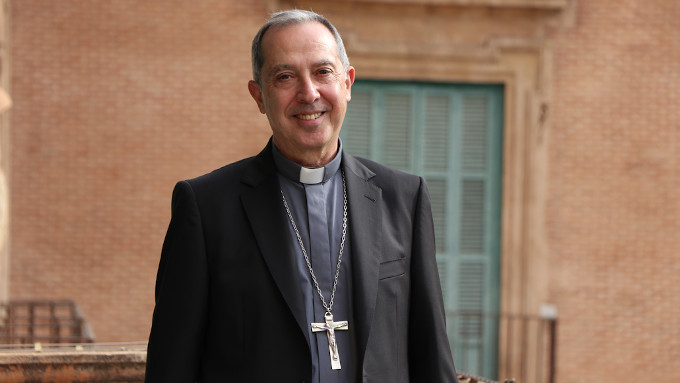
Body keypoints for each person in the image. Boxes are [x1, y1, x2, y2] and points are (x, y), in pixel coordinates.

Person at [145, 9, 457, 383]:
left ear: (347, 83)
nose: (309, 93)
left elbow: (431, 354)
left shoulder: (404, 197)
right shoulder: (205, 207)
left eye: (323, 72)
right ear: (259, 96)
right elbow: (171, 365)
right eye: (285, 76)